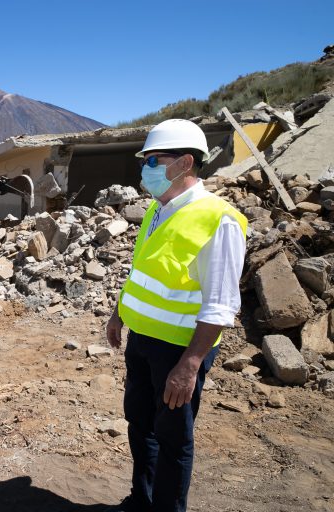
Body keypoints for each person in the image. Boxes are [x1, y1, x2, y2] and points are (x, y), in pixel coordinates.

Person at [105, 119, 247, 512]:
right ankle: (142, 499)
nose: (145, 167)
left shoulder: (218, 220)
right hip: (143, 342)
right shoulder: (157, 209)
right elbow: (141, 270)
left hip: (180, 350)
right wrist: (119, 313)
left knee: (173, 439)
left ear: (185, 163)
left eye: (153, 160)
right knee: (140, 425)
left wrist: (190, 364)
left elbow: (221, 304)